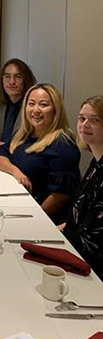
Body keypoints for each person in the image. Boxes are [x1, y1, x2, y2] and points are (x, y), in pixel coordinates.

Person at [0, 83, 80, 222]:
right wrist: (16, 171)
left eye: (43, 105)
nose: (36, 110)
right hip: (17, 204)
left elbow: (61, 195)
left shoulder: (63, 145)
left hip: (42, 218)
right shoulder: (24, 134)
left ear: (55, 110)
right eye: (31, 104)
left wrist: (34, 218)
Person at [62, 95, 103, 278]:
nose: (85, 124)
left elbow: (93, 238)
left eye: (94, 120)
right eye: (82, 118)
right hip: (76, 251)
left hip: (92, 268)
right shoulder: (95, 163)